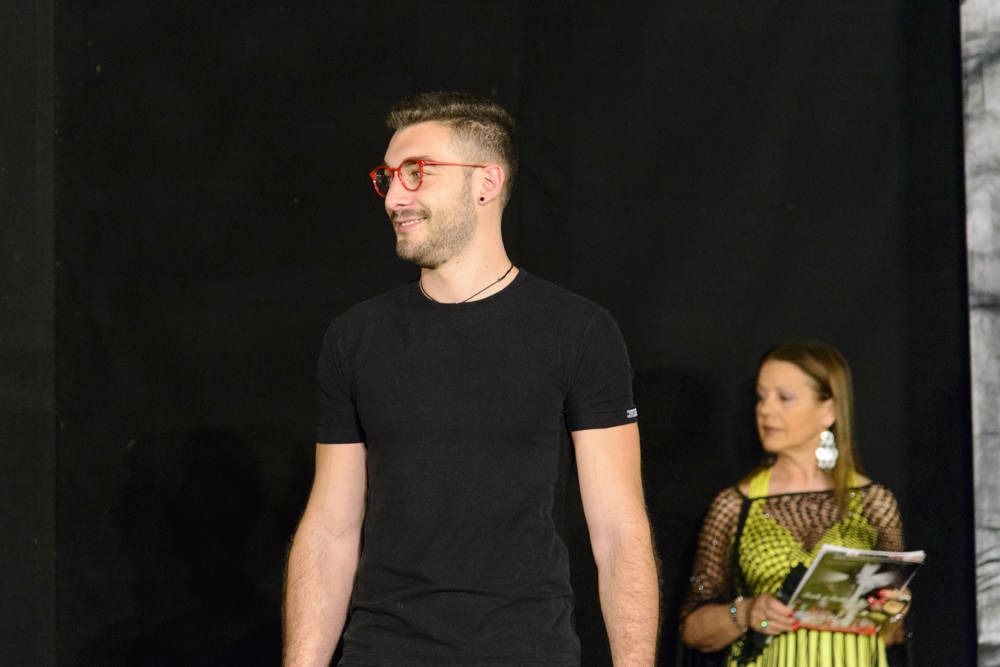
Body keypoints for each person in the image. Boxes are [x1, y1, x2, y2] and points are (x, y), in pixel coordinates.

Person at [283, 91, 660, 666]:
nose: (395, 197)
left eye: (417, 172)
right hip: (384, 650)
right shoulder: (356, 336)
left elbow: (618, 530)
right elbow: (330, 528)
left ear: (485, 182)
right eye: (388, 177)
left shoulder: (576, 330)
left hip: (525, 650)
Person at [679, 341, 911, 666]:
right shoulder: (736, 504)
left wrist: (893, 611)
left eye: (784, 397)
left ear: (828, 410)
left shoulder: (874, 503)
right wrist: (745, 612)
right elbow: (692, 630)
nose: (766, 409)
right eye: (762, 397)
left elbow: (893, 637)